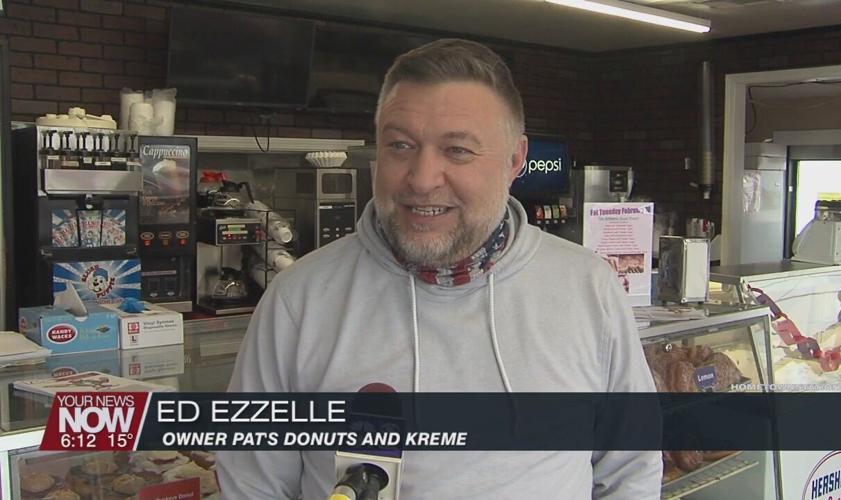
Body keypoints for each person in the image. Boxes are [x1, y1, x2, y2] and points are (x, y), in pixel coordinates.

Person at [216, 38, 661, 499]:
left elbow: (630, 468)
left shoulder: (587, 288)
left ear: (515, 160)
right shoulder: (300, 301)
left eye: (458, 151)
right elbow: (252, 484)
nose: (423, 179)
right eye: (401, 145)